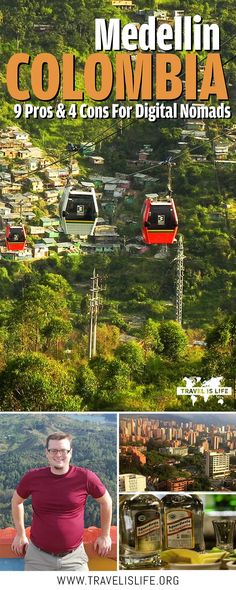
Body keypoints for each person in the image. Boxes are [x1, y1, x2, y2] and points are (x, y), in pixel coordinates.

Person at [11, 432, 112, 571]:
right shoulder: (32, 477)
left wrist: (105, 535)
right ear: (46, 452)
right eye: (54, 450)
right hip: (37, 559)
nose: (59, 455)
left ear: (71, 452)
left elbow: (106, 501)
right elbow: (16, 501)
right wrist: (20, 534)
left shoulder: (86, 477)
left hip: (75, 559)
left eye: (64, 450)